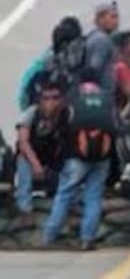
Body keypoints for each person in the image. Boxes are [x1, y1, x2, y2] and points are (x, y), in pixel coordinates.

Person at [42, 68, 114, 251]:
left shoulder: (72, 98)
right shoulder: (107, 98)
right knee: (94, 196)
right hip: (102, 157)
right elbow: (116, 126)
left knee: (64, 194)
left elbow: (60, 127)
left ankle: (49, 237)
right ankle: (87, 239)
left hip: (76, 156)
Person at [15, 81, 69, 216]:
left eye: (55, 97)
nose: (51, 102)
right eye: (46, 98)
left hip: (53, 157)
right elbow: (23, 142)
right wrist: (35, 164)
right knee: (23, 160)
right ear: (40, 100)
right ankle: (24, 207)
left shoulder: (66, 115)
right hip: (32, 155)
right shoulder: (31, 114)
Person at [84, 1, 119, 93]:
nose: (117, 22)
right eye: (113, 17)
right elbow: (94, 67)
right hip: (101, 93)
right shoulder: (101, 40)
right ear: (101, 19)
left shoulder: (93, 36)